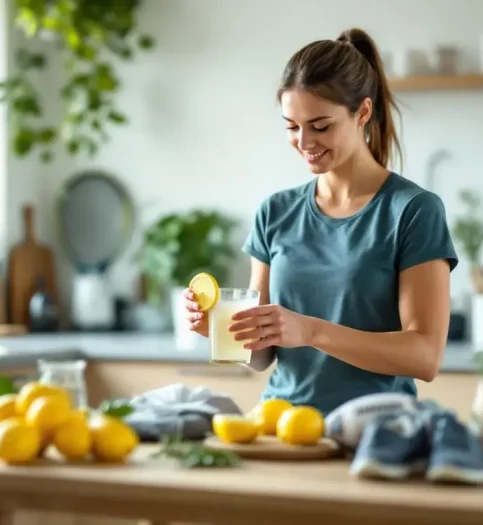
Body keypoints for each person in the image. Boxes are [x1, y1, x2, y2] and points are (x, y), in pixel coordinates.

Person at [183, 28, 458, 416]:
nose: (304, 142)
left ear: (363, 112)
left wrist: (310, 331)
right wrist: (216, 327)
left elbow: (425, 356)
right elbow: (261, 355)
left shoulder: (413, 211)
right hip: (282, 425)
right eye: (291, 126)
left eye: (321, 126)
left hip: (373, 430)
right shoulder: (275, 212)